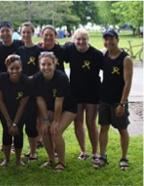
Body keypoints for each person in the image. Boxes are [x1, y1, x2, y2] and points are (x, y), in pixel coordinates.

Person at [95, 29, 133, 170]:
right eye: (106, 39)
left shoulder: (126, 59)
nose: (108, 42)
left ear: (117, 39)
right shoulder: (104, 54)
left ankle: (124, 157)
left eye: (111, 39)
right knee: (103, 128)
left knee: (122, 129)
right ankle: (103, 156)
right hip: (104, 99)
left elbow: (128, 83)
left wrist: (122, 103)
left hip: (119, 101)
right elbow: (91, 51)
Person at [64, 28, 103, 163]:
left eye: (84, 39)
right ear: (74, 40)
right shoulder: (69, 50)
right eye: (78, 39)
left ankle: (95, 152)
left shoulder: (97, 55)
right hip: (75, 91)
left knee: (91, 123)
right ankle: (83, 151)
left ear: (88, 40)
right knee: (78, 121)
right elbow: (57, 52)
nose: (81, 42)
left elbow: (109, 67)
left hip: (93, 92)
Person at [34, 52, 77, 172]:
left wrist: (56, 121)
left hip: (68, 107)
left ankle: (62, 162)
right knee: (45, 130)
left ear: (55, 64)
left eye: (49, 64)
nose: (46, 67)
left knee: (55, 131)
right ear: (39, 65)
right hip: (50, 107)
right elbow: (40, 99)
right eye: (43, 64)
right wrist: (46, 120)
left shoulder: (61, 77)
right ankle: (51, 159)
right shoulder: (37, 78)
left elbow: (59, 101)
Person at [0, 54, 30, 167]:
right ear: (7, 69)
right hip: (5, 110)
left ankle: (18, 159)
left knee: (18, 131)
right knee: (7, 131)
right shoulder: (0, 79)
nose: (15, 71)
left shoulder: (25, 81)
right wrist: (9, 122)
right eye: (12, 68)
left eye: (17, 68)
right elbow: (0, 101)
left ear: (22, 68)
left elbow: (23, 104)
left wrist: (15, 123)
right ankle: (7, 159)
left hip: (20, 111)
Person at [16, 22, 42, 161]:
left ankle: (33, 151)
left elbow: (42, 70)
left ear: (33, 33)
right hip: (20, 91)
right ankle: (18, 149)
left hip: (33, 90)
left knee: (31, 122)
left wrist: (30, 78)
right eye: (23, 32)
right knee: (19, 120)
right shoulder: (19, 50)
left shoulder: (38, 51)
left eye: (28, 32)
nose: (26, 35)